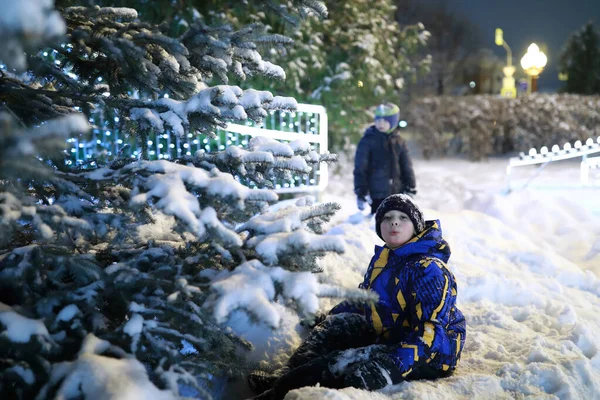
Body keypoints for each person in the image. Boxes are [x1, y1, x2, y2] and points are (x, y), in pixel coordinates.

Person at [247, 194, 466, 400]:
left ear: (416, 227)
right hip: (394, 334)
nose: (394, 223)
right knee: (337, 325)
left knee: (340, 364)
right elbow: (366, 301)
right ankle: (284, 378)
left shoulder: (429, 269)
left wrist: (392, 365)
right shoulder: (387, 260)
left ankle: (278, 394)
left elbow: (431, 330)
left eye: (403, 218)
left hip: (430, 353)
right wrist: (329, 316)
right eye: (387, 218)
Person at [354, 103, 417, 214]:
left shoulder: (400, 142)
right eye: (378, 120)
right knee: (380, 222)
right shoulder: (368, 141)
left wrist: (410, 186)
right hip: (376, 195)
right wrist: (361, 192)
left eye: (385, 121)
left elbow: (407, 166)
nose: (380, 123)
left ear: (393, 122)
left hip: (398, 193)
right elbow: (360, 168)